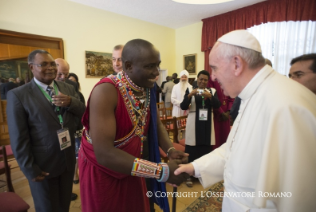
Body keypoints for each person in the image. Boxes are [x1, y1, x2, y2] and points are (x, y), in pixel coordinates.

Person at [175, 30, 316, 211]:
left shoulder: (287, 105)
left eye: (215, 68)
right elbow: (234, 149)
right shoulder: (254, 94)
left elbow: (297, 199)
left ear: (236, 64)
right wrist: (194, 167)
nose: (213, 77)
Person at [78, 39, 189, 212]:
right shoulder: (106, 91)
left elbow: (155, 122)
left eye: (157, 65)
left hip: (132, 166)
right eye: (150, 66)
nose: (156, 73)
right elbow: (104, 154)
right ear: (128, 66)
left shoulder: (147, 86)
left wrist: (170, 150)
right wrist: (160, 171)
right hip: (104, 173)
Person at [7, 50, 86, 212]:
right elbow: (18, 137)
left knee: (64, 204)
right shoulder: (18, 95)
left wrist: (71, 102)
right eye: (43, 64)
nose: (50, 68)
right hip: (42, 165)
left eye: (52, 64)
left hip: (67, 160)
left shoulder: (68, 88)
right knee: (47, 207)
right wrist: (29, 168)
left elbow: (84, 112)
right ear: (31, 67)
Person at [180, 70, 221, 187]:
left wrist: (210, 97)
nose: (202, 81)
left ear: (208, 81)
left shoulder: (212, 91)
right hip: (193, 124)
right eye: (200, 79)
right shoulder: (189, 90)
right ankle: (189, 176)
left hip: (207, 124)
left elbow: (218, 105)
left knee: (205, 150)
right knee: (191, 150)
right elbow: (183, 106)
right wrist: (189, 95)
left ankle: (203, 175)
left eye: (205, 80)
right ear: (197, 79)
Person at [55, 58, 80, 201]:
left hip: (68, 134)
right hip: (50, 139)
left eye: (66, 73)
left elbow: (81, 107)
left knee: (68, 167)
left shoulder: (71, 85)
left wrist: (71, 102)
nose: (63, 77)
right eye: (60, 74)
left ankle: (67, 191)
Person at [67, 73, 85, 185]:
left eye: (74, 81)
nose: (72, 83)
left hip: (78, 127)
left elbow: (83, 110)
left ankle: (75, 173)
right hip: (67, 129)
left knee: (78, 152)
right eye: (70, 81)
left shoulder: (80, 95)